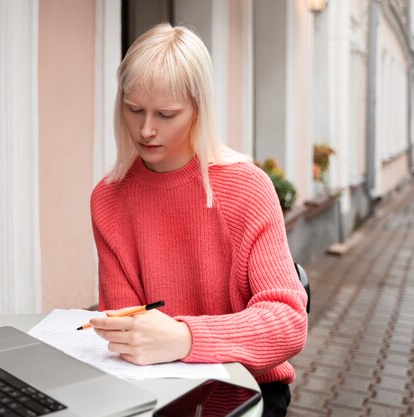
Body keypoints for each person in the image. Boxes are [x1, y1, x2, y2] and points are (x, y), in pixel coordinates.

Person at [88, 23, 308, 417]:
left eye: (166, 114)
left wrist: (185, 337)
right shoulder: (109, 199)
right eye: (134, 109)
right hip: (156, 385)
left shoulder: (247, 188)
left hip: (247, 386)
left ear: (198, 110)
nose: (146, 129)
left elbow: (288, 322)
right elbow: (125, 326)